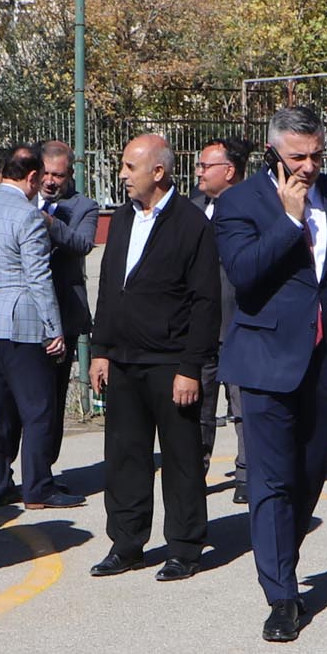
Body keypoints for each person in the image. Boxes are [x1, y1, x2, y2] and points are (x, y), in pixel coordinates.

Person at [211, 104, 327, 644]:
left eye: (316, 154)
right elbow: (243, 275)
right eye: (298, 156)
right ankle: (282, 595)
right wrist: (290, 222)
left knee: (310, 473)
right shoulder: (240, 202)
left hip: (326, 362)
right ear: (274, 152)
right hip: (265, 362)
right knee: (270, 479)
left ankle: (283, 558)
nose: (309, 166)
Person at [88, 134, 222, 581]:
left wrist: (190, 367)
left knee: (181, 458)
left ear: (158, 172)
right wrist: (101, 350)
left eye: (130, 166)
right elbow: (109, 287)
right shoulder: (123, 218)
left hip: (171, 364)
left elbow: (206, 302)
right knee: (125, 455)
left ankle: (185, 546)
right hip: (123, 361)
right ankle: (126, 543)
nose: (123, 175)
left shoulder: (191, 224)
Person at [0, 141, 70, 511]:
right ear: (33, 176)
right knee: (38, 406)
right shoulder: (27, 217)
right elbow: (39, 278)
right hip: (20, 320)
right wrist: (53, 328)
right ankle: (38, 487)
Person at [38, 136, 98, 480]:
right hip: (24, 315)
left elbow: (82, 243)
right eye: (46, 173)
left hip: (64, 312)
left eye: (58, 176)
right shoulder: (23, 199)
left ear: (69, 175)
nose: (50, 181)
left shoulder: (83, 206)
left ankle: (43, 468)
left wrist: (52, 224)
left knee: (53, 396)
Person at [195, 138, 249, 493]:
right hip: (199, 325)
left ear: (229, 171)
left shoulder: (255, 207)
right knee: (198, 403)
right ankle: (193, 472)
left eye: (205, 166)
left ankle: (248, 473)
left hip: (241, 323)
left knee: (243, 405)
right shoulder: (192, 207)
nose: (198, 171)